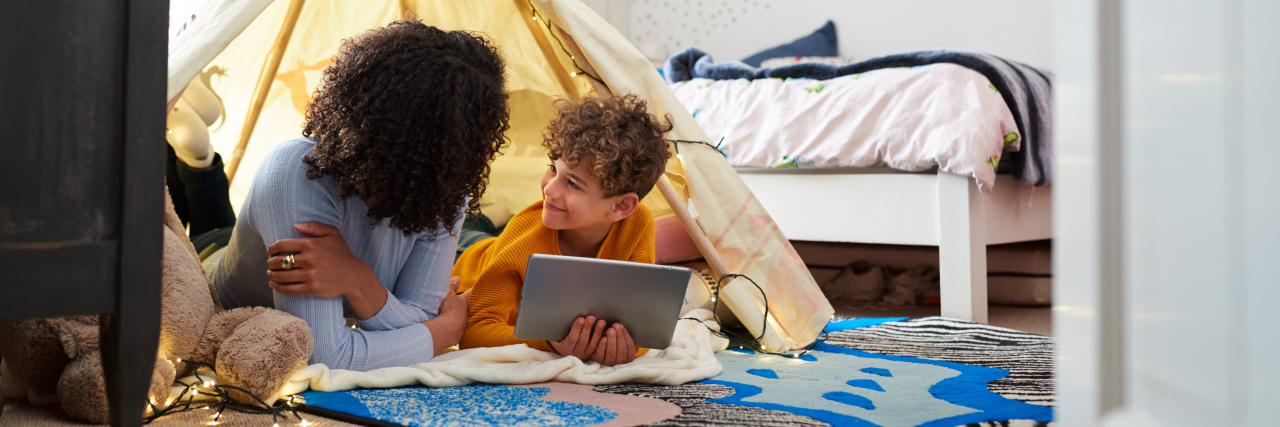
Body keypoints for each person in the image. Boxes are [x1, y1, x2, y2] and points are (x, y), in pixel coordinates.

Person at [191, 20, 511, 371]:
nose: (484, 157)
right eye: (472, 142)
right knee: (200, 211)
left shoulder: (445, 184)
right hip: (216, 267)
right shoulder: (296, 173)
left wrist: (359, 280)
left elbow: (420, 315)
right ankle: (195, 157)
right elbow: (324, 356)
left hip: (263, 244)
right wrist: (442, 332)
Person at [452, 94, 674, 367]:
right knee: (463, 232)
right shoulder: (525, 235)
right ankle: (484, 217)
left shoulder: (638, 223)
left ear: (620, 206)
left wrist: (620, 347)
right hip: (465, 259)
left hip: (498, 243)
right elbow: (475, 334)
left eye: (572, 183)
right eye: (552, 170)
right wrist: (550, 343)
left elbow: (637, 329)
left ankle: (486, 219)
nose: (549, 189)